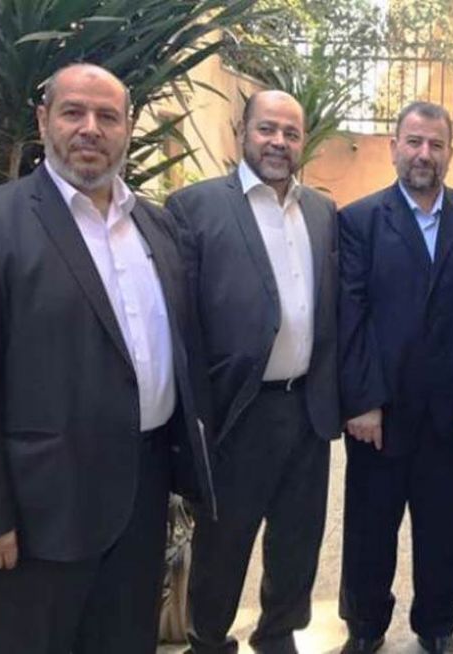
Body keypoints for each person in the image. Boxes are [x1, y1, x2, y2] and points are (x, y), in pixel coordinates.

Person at [0, 63, 215, 654]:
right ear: (44, 122)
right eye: (73, 112)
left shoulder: (157, 227)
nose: (90, 128)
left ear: (128, 128)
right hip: (39, 517)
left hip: (140, 502)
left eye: (107, 116)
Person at [166, 89, 341, 654]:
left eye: (291, 133)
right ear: (242, 132)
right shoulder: (194, 208)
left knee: (298, 538)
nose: (279, 142)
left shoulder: (321, 212)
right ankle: (208, 638)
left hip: (306, 407)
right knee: (225, 538)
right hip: (237, 408)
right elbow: (181, 321)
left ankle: (278, 632)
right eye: (267, 129)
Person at [337, 101, 453, 654]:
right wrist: (362, 400)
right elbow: (351, 313)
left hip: (451, 415)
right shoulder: (358, 220)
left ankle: (437, 625)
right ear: (393, 147)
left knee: (446, 529)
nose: (425, 154)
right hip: (381, 412)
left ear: (451, 152)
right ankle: (366, 626)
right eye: (415, 142)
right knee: (369, 529)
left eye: (436, 144)